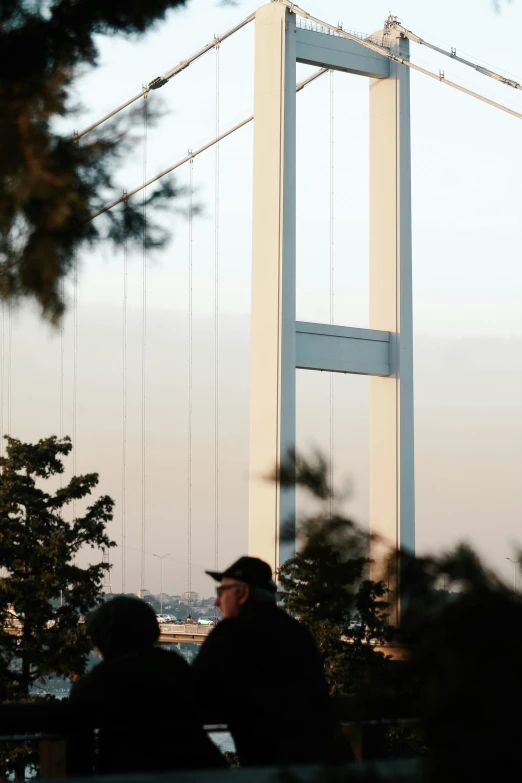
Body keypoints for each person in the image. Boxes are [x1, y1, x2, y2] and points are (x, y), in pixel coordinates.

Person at [193, 556, 343, 766]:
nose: (216, 601)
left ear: (243, 593)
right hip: (323, 762)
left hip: (267, 766)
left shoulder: (232, 632)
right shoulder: (297, 632)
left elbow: (196, 692)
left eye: (221, 592)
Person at [68, 596, 226, 775]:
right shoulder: (174, 666)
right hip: (202, 772)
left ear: (103, 639)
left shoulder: (96, 684)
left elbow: (79, 757)